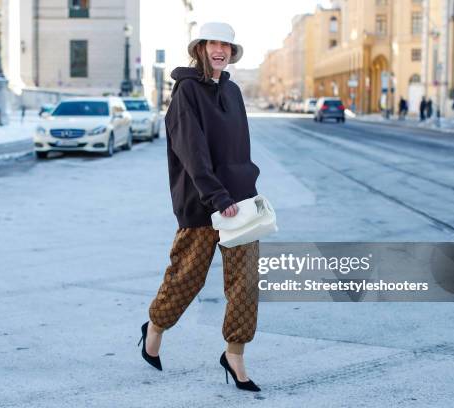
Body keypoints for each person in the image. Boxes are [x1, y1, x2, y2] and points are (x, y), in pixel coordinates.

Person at [138, 22, 262, 392]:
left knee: (246, 284)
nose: (220, 49)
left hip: (240, 204)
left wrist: (246, 188)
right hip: (202, 204)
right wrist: (217, 196)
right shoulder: (186, 93)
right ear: (200, 48)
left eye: (226, 44)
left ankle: (235, 355)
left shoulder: (235, 92)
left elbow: (240, 148)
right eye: (213, 43)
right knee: (186, 279)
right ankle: (155, 328)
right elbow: (191, 152)